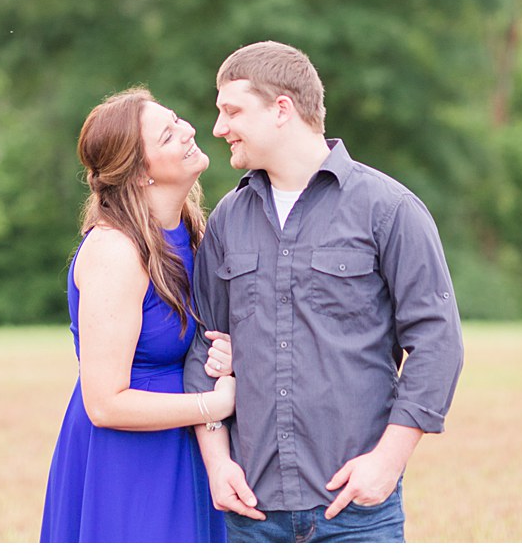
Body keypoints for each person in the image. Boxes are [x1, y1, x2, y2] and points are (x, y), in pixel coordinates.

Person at [183, 40, 465, 543]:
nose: (219, 128)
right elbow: (206, 344)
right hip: (251, 510)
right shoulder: (227, 219)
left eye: (232, 111)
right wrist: (217, 462)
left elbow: (437, 343)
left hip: (356, 512)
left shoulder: (389, 209)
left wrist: (387, 462)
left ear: (282, 110)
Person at [40, 87, 231, 542]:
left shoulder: (191, 233)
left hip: (187, 449)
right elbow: (104, 402)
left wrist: (226, 354)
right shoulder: (116, 252)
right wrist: (214, 404)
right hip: (128, 463)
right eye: (168, 135)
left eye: (178, 120)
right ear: (139, 173)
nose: (188, 131)